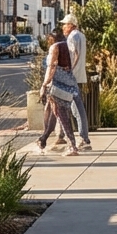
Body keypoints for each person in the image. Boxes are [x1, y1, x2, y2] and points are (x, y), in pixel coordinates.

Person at [35, 28, 80, 156]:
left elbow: (51, 67)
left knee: (61, 113)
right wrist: (69, 69)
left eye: (49, 39)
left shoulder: (55, 47)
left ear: (53, 38)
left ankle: (72, 146)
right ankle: (43, 139)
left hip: (57, 84)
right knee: (52, 110)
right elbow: (76, 56)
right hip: (69, 81)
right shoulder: (68, 45)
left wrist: (44, 84)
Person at [59, 13, 92, 151]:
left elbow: (75, 54)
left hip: (72, 77)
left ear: (71, 25)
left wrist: (69, 69)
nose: (63, 27)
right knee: (73, 106)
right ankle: (63, 135)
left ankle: (83, 138)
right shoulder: (81, 36)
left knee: (75, 107)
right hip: (79, 76)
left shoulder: (72, 37)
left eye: (65, 25)